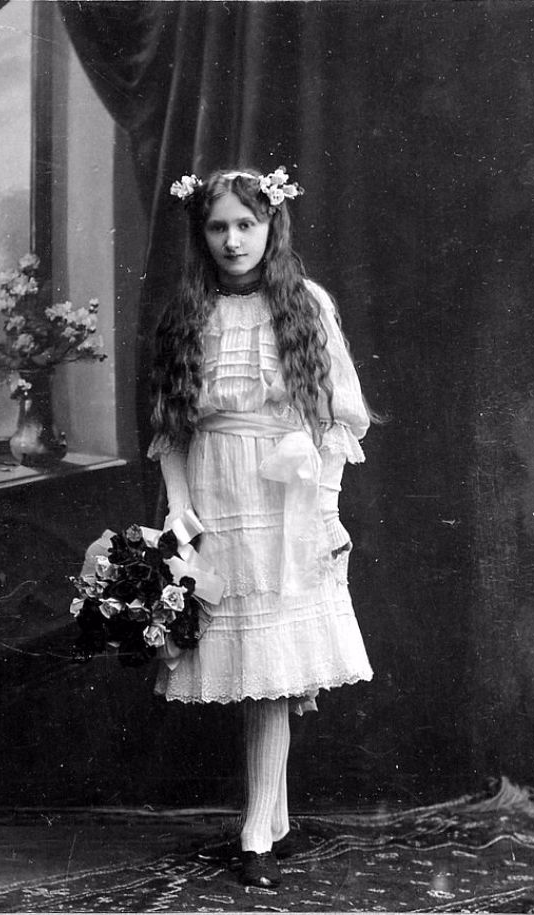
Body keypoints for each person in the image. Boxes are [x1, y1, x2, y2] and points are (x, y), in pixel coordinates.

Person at [148, 166, 373, 889]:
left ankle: (255, 833)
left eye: (246, 224)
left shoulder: (305, 304)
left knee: (272, 671)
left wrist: (325, 508)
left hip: (283, 498)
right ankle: (269, 820)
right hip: (216, 495)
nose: (233, 240)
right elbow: (172, 431)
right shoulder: (189, 313)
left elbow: (339, 420)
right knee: (250, 667)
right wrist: (178, 510)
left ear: (271, 226)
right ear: (202, 233)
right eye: (218, 227)